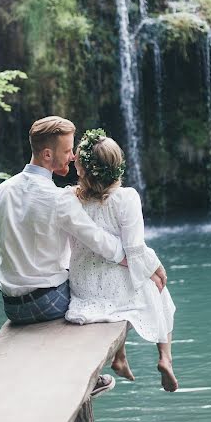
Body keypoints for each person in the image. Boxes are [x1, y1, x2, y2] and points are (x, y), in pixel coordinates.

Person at [0, 116, 128, 395]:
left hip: (12, 307)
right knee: (98, 286)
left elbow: (0, 248)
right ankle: (83, 377)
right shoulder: (59, 199)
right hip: (47, 304)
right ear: (47, 154)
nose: (74, 156)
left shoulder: (1, 191)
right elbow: (99, 242)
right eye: (68, 151)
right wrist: (133, 258)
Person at [65, 129, 178, 392]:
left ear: (84, 169)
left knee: (126, 284)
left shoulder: (71, 200)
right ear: (117, 167)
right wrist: (155, 267)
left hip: (84, 284)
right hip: (116, 281)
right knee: (159, 291)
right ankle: (165, 358)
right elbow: (135, 248)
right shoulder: (126, 198)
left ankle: (120, 357)